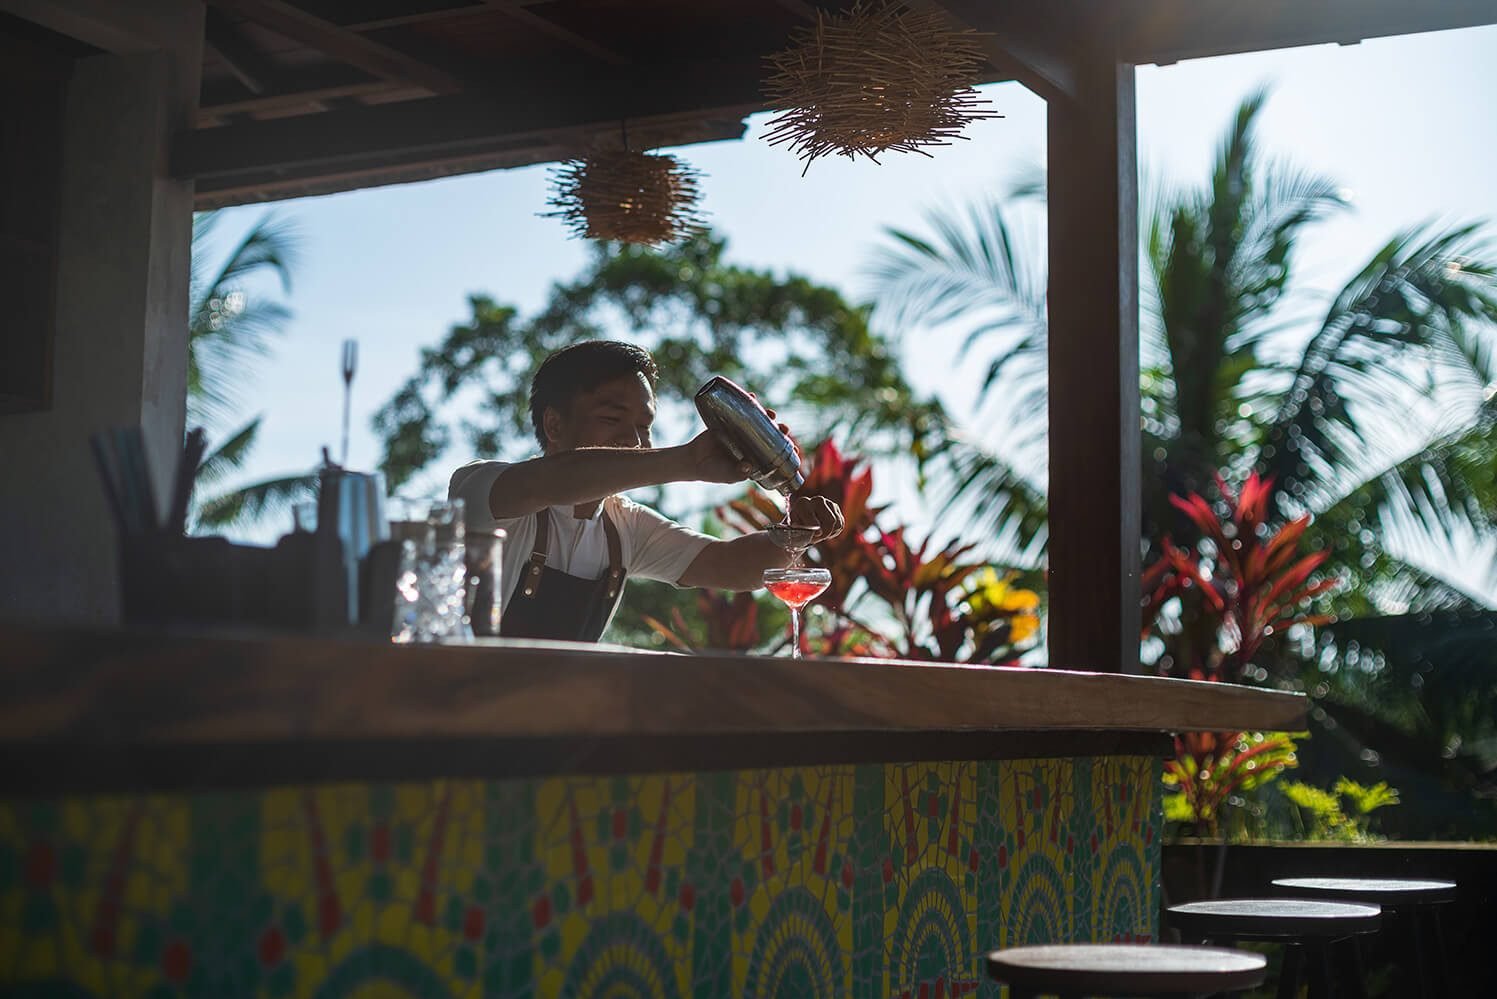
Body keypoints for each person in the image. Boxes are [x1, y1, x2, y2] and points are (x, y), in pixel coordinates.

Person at [449, 340, 844, 643]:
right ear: (553, 425)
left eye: (645, 425)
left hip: (555, 730)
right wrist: (688, 462)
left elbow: (728, 565)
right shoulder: (485, 489)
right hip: (453, 727)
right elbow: (551, 480)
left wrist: (797, 532)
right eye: (612, 418)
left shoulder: (624, 528)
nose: (635, 441)